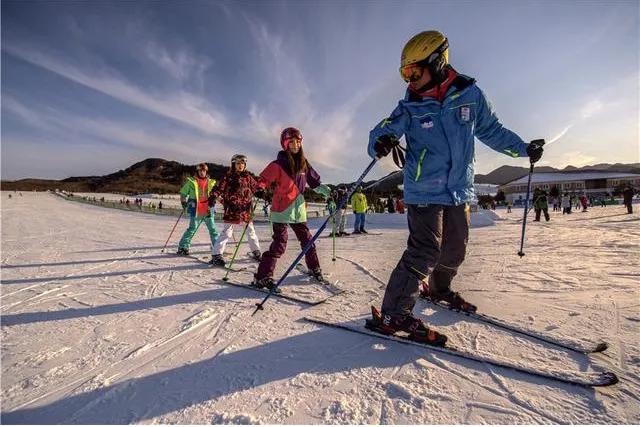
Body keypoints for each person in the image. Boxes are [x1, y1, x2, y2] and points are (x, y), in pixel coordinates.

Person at [363, 30, 544, 345]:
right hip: (422, 190)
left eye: (414, 71)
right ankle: (394, 313)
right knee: (424, 250)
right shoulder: (410, 106)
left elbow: (493, 130)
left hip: (458, 189)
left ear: (436, 61)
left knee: (455, 250)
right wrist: (380, 140)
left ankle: (438, 288)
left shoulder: (469, 95)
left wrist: (523, 149)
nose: (409, 80)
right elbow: (384, 128)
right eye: (405, 74)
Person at [252, 127, 331, 290]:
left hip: (298, 209)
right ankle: (262, 276)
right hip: (282, 209)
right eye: (291, 142)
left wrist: (330, 193)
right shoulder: (278, 164)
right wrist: (260, 187)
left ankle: (314, 267)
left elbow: (315, 183)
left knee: (308, 240)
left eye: (298, 141)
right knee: (280, 244)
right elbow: (264, 179)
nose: (295, 145)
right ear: (285, 144)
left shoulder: (304, 164)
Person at [209, 154, 263, 266]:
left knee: (250, 231)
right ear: (233, 165)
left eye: (242, 163)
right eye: (238, 163)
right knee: (227, 232)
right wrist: (213, 196)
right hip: (232, 209)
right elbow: (219, 188)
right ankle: (216, 254)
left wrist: (261, 192)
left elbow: (256, 187)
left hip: (245, 210)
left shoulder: (248, 177)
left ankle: (256, 251)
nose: (240, 166)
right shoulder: (228, 177)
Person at [176, 163, 219, 258]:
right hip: (196, 209)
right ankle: (183, 247)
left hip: (208, 209)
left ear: (206, 172)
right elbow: (183, 193)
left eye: (204, 171)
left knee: (213, 229)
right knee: (192, 229)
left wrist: (225, 203)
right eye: (200, 171)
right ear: (197, 171)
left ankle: (216, 248)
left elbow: (217, 195)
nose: (202, 172)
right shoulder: (191, 182)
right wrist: (183, 203)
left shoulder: (211, 182)